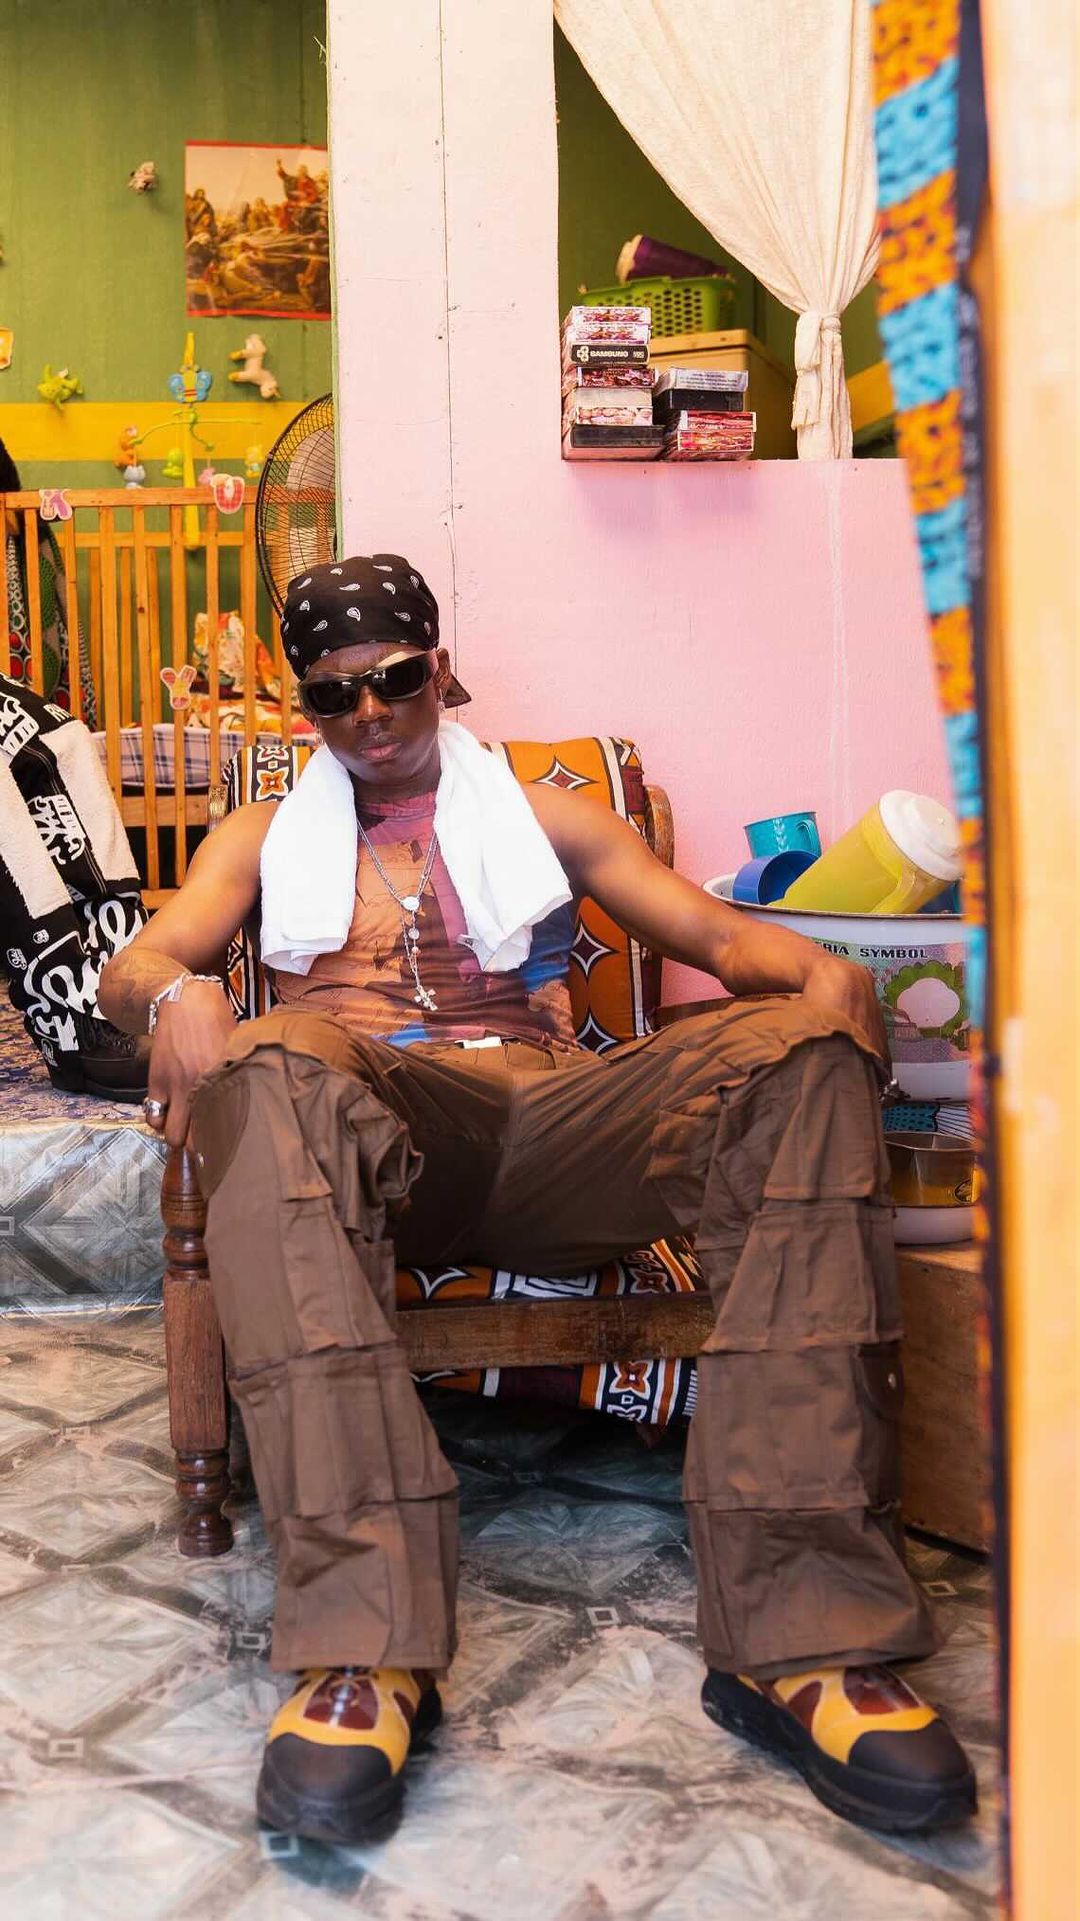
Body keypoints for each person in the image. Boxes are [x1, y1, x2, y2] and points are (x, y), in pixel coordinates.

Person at [99, 555, 976, 1847]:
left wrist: (815, 971)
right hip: (378, 1141)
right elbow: (140, 962)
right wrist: (179, 994)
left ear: (440, 672)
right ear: (308, 709)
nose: (371, 713)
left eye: (396, 679)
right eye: (336, 695)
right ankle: (366, 1647)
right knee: (272, 1061)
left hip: (556, 1118)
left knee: (797, 1052)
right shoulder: (261, 836)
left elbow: (718, 937)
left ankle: (807, 1637)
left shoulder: (545, 812)